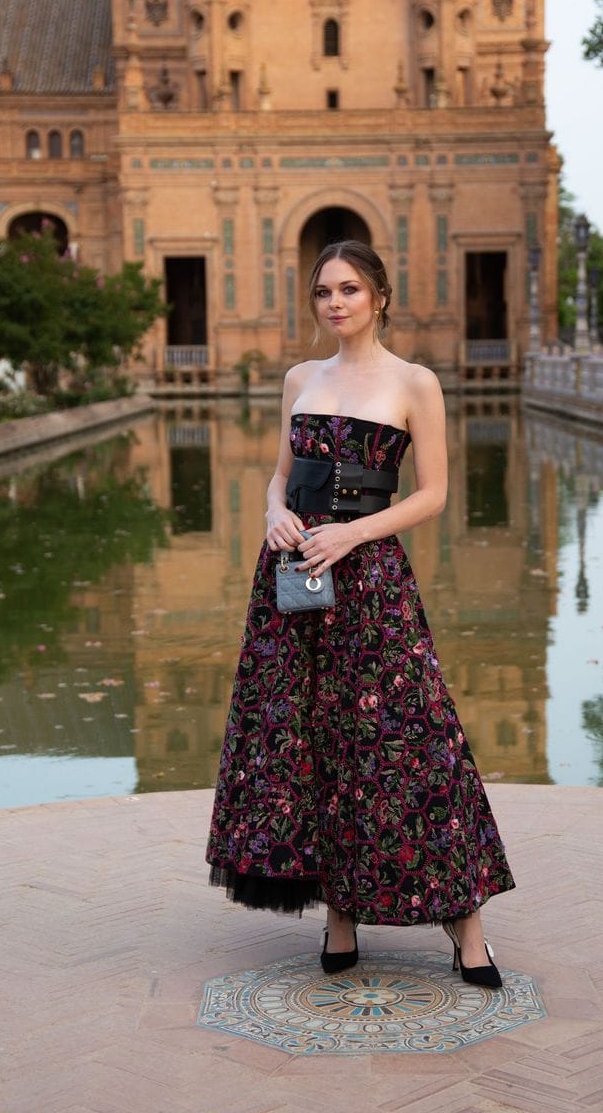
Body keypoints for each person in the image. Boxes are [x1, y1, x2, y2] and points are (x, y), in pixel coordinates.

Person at [206, 240, 515, 987]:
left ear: (378, 294)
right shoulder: (299, 379)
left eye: (347, 289)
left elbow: (431, 493)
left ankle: (466, 927)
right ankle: (339, 917)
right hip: (294, 582)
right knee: (312, 741)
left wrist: (353, 532)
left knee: (411, 738)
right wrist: (275, 515)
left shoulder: (415, 383)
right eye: (322, 292)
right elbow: (279, 477)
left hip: (371, 580)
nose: (334, 303)